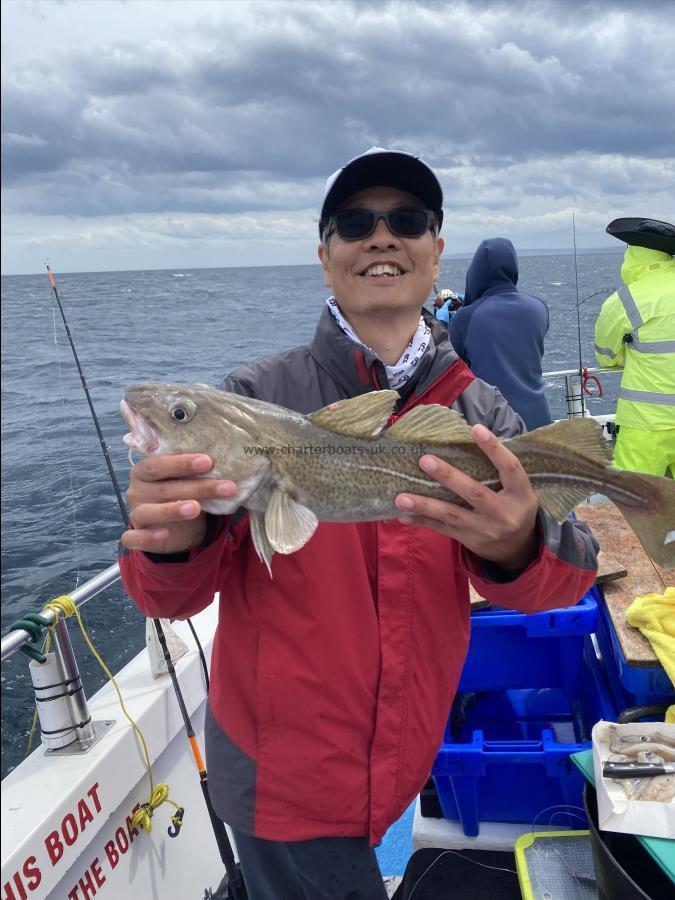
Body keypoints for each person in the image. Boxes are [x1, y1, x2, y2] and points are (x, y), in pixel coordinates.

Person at [119, 147, 598, 900]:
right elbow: (170, 601)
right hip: (280, 777)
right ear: (325, 256)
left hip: (404, 757)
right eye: (353, 223)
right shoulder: (256, 392)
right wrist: (176, 541)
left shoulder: (483, 414)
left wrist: (516, 546)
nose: (380, 237)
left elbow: (559, 582)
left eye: (405, 221)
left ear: (436, 252)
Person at [594, 217, 675, 476]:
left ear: (633, 257)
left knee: (637, 505)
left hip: (644, 423)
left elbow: (606, 356)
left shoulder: (625, 299)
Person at [448, 237, 552, 431]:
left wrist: (449, 318)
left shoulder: (466, 317)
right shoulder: (539, 308)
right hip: (540, 422)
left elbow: (452, 367)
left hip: (493, 424)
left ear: (476, 272)